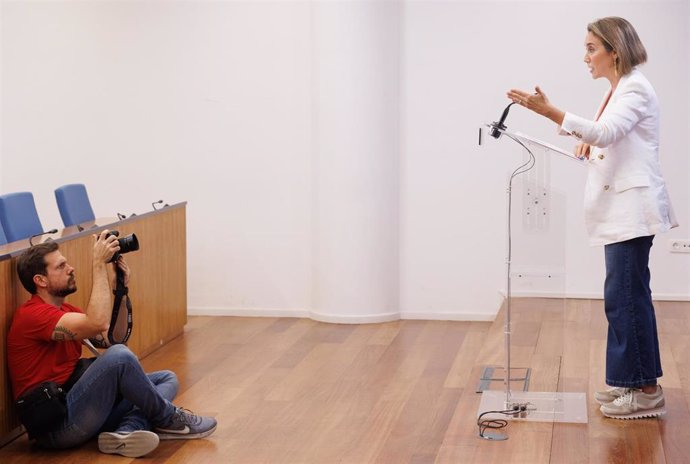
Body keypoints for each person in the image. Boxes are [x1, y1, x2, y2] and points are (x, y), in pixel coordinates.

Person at [506, 16, 677, 420]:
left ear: (614, 51)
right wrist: (583, 138)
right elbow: (606, 135)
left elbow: (606, 132)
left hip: (632, 211)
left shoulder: (634, 87)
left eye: (591, 48)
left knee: (627, 300)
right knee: (623, 298)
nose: (585, 57)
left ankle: (645, 391)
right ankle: (632, 383)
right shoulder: (620, 88)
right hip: (622, 211)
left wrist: (551, 113)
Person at [7, 231, 217, 457]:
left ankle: (126, 432)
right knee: (120, 356)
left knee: (166, 378)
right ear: (41, 280)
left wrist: (121, 290)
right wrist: (98, 264)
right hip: (57, 427)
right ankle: (170, 419)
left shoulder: (67, 311)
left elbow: (113, 338)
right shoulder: (32, 316)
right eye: (60, 266)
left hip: (78, 408)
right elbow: (104, 333)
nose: (71, 268)